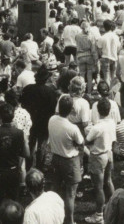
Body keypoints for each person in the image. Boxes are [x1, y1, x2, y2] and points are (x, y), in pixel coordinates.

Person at [0, 102, 30, 224]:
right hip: (13, 171)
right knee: (13, 201)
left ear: (0, 118)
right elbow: (26, 155)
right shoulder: (19, 133)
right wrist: (25, 141)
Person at [48, 95, 85, 224]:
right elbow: (81, 143)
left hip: (56, 158)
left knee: (55, 189)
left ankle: (51, 217)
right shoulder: (72, 128)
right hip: (70, 161)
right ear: (71, 110)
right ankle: (70, 221)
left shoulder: (52, 119)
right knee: (70, 194)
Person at [84, 99, 116, 224]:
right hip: (109, 154)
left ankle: (99, 216)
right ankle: (113, 207)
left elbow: (86, 141)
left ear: (97, 110)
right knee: (108, 181)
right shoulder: (112, 123)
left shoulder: (97, 127)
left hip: (98, 156)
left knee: (98, 187)